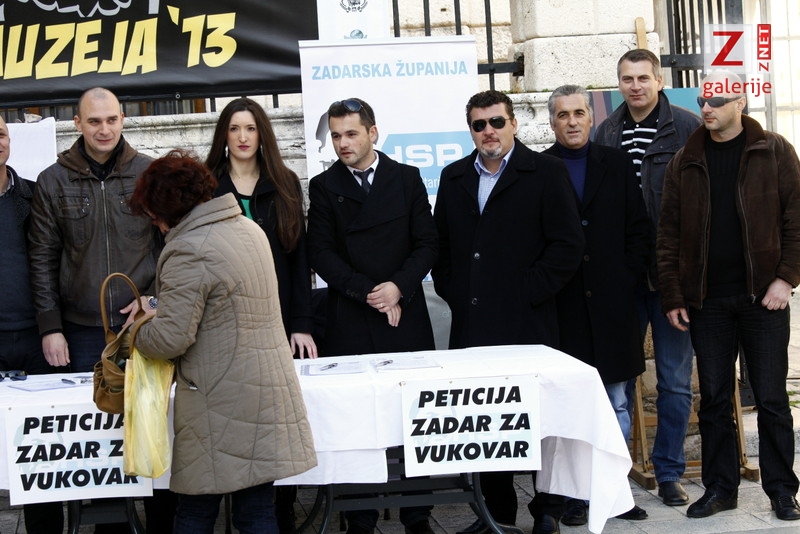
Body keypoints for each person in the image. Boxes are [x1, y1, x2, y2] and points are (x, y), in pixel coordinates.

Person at [129, 150, 318, 533]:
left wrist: (138, 328)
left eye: (154, 214)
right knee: (256, 510)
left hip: (218, 402)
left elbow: (169, 339)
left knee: (195, 513)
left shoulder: (188, 249)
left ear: (168, 209)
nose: (155, 224)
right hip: (265, 393)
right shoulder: (248, 229)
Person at [432, 89, 584, 534]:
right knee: (486, 423)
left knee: (540, 422)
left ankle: (548, 511)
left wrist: (525, 293)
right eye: (479, 124)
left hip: (529, 325)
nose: (489, 131)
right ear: (471, 130)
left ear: (513, 124)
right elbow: (441, 247)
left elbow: (567, 246)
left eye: (497, 121)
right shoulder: (454, 177)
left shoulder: (546, 172)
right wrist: (457, 292)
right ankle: (496, 517)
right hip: (475, 328)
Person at [27, 87, 175, 533]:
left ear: (123, 119)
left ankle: (162, 525)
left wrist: (154, 299)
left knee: (155, 427)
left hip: (144, 328)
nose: (104, 129)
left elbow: (175, 245)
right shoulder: (53, 180)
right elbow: (41, 257)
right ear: (77, 124)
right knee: (97, 440)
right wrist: (50, 327)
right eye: (94, 121)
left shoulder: (150, 173)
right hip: (82, 332)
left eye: (111, 119)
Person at [657, 70, 800, 521]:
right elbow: (668, 234)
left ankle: (782, 491)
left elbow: (797, 219)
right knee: (715, 400)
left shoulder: (774, 150)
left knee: (772, 399)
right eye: (703, 98)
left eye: (717, 100)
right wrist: (673, 295)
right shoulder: (686, 159)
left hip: (763, 298)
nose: (706, 107)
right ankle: (721, 489)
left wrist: (785, 279)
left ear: (740, 102)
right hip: (707, 301)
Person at [306, 97, 438, 534]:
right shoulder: (323, 186)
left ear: (373, 133)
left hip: (405, 315)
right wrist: (369, 293)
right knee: (354, 421)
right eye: (336, 136)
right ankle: (358, 516)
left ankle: (417, 515)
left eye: (351, 133)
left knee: (413, 416)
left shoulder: (407, 177)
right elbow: (320, 252)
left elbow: (427, 242)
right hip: (351, 317)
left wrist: (398, 287)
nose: (342, 143)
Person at [593, 48, 702, 509]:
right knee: (614, 381)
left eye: (643, 77)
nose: (635, 86)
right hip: (623, 279)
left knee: (674, 381)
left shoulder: (687, 127)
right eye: (627, 78)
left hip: (672, 278)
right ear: (618, 84)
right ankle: (614, 478)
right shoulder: (605, 132)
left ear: (659, 80)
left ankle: (670, 471)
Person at [206, 97, 317, 533]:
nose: (242, 137)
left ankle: (280, 509)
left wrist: (302, 324)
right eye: (234, 128)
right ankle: (238, 508)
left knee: (276, 422)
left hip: (278, 320)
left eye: (250, 128)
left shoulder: (284, 183)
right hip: (224, 327)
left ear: (262, 134)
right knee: (232, 421)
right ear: (224, 135)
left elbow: (299, 259)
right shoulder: (207, 184)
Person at [544, 85, 652, 526]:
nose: (572, 122)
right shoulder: (539, 168)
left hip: (612, 305)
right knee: (569, 409)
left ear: (592, 118)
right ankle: (574, 496)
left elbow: (638, 229)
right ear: (552, 122)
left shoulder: (617, 163)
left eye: (579, 113)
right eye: (563, 115)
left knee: (616, 403)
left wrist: (625, 278)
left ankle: (614, 493)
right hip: (563, 309)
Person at [0, 115, 69, 533]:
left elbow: (53, 262)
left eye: (1, 134)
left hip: (37, 340)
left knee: (43, 452)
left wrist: (52, 326)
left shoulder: (32, 194)